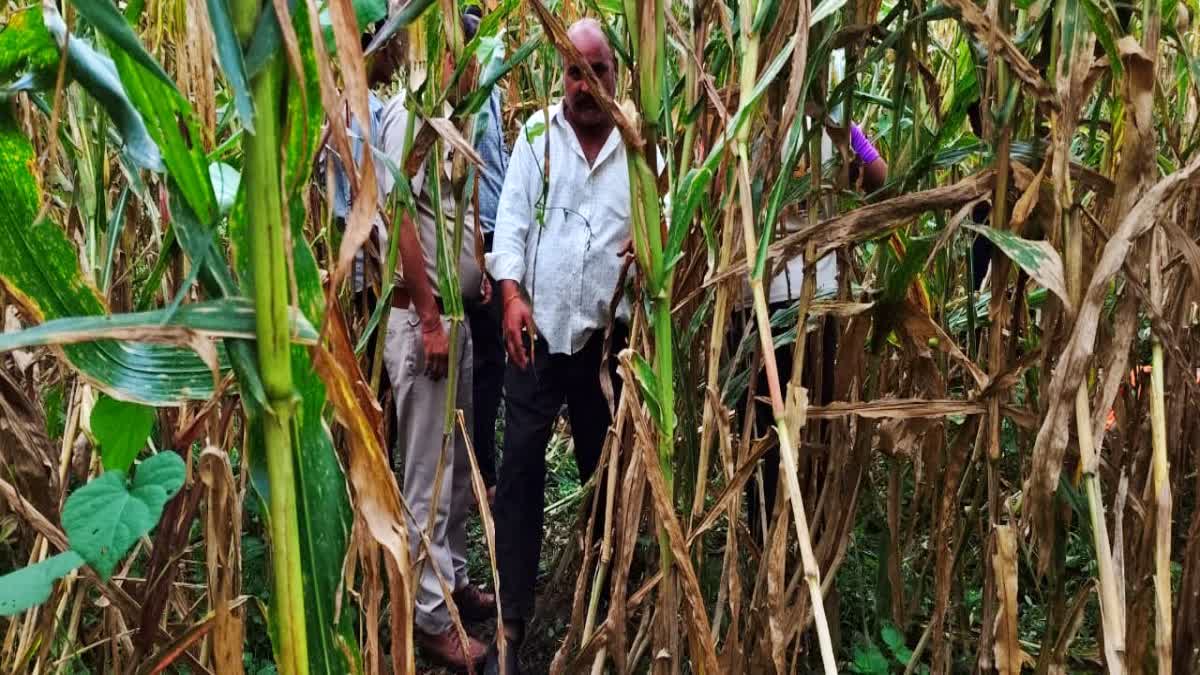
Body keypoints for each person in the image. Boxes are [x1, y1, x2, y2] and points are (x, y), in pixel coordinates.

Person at [483, 19, 632, 675]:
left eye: (595, 70)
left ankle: (600, 609)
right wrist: (512, 294)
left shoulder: (640, 143)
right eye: (573, 71)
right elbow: (511, 225)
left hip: (608, 345)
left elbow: (671, 234)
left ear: (615, 73)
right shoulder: (539, 136)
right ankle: (512, 621)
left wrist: (653, 256)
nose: (583, 85)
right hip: (537, 336)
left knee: (608, 474)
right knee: (518, 468)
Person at [376, 15, 496, 669]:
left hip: (455, 319)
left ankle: (449, 582)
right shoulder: (411, 116)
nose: (474, 67)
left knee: (456, 464)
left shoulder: (453, 120)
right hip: (424, 323)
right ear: (443, 52)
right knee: (426, 470)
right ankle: (428, 618)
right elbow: (397, 218)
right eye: (467, 53)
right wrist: (427, 317)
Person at [740, 119, 887, 542]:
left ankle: (793, 533)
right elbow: (880, 178)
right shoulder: (742, 112)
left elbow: (878, 178)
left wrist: (849, 142)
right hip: (761, 298)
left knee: (793, 425)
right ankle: (777, 533)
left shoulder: (831, 118)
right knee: (777, 427)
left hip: (805, 297)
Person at [463, 4, 510, 498]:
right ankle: (484, 474)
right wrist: (481, 253)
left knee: (489, 357)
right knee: (485, 359)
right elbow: (468, 175)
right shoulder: (469, 99)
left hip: (493, 236)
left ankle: (481, 467)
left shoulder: (490, 94)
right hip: (479, 239)